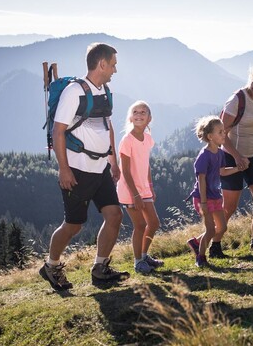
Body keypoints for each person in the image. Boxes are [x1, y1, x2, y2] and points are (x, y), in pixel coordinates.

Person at [39, 42, 129, 291]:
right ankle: (51, 265)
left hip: (100, 168)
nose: (114, 70)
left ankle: (100, 269)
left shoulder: (105, 90)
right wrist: (63, 169)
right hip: (77, 171)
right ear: (101, 64)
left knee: (114, 215)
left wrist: (113, 161)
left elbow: (107, 127)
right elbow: (58, 131)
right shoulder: (73, 92)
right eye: (112, 65)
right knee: (73, 225)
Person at [217, 55, 253, 253]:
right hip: (232, 156)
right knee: (229, 208)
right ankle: (214, 245)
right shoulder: (236, 99)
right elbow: (220, 134)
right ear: (251, 76)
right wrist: (238, 157)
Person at [115, 100, 164, 274]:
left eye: (143, 112)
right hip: (130, 191)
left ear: (149, 118)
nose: (139, 115)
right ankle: (138, 262)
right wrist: (135, 195)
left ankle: (144, 255)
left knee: (154, 223)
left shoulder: (148, 139)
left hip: (143, 189)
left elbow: (146, 165)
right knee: (140, 225)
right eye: (135, 112)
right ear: (130, 117)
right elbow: (125, 171)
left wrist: (149, 186)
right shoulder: (126, 140)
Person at [187, 116, 240, 267]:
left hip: (216, 196)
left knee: (222, 227)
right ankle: (201, 258)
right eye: (220, 132)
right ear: (210, 137)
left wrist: (237, 168)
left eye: (224, 131)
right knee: (210, 230)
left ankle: (197, 242)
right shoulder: (204, 156)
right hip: (203, 198)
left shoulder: (220, 153)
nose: (224, 134)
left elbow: (222, 172)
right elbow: (201, 180)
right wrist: (203, 202)